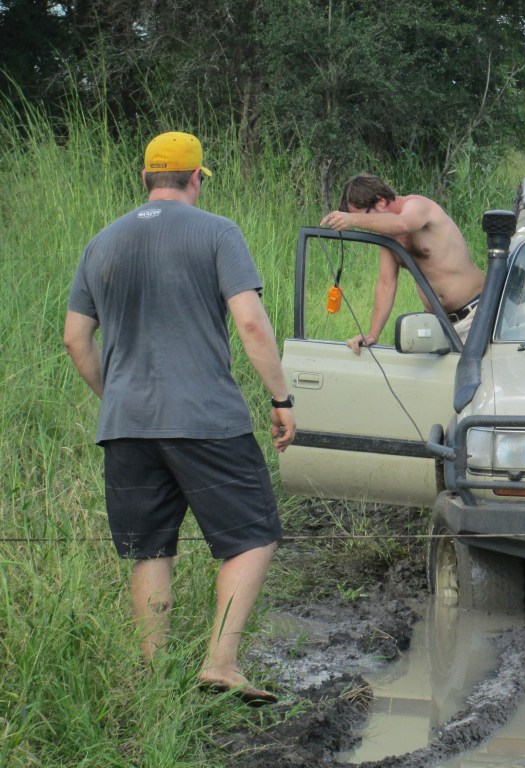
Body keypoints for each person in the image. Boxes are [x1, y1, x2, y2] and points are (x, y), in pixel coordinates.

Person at [63, 131, 295, 706]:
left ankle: (155, 673)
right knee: (251, 534)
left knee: (149, 547)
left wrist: (115, 395)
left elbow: (75, 340)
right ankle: (220, 662)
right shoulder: (217, 232)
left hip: (127, 424)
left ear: (145, 178)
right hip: (206, 419)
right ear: (195, 179)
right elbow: (250, 322)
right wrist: (281, 398)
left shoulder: (101, 242)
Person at [319, 173, 485, 352]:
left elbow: (404, 223)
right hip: (436, 325)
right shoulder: (388, 237)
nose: (367, 225)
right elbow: (386, 284)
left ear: (381, 201)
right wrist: (372, 334)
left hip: (475, 316)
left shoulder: (417, 205)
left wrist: (353, 220)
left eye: (366, 217)